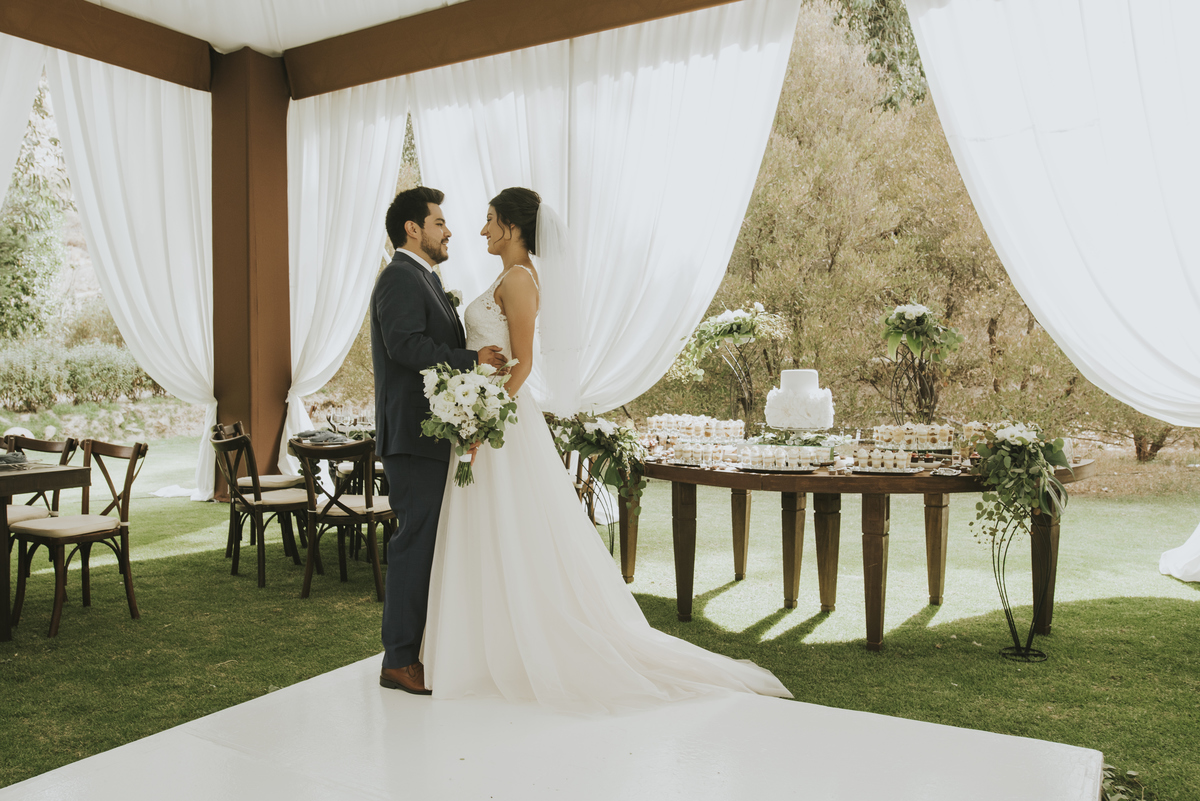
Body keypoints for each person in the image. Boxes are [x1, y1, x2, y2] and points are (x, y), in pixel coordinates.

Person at [420, 187, 792, 712]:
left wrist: (484, 419)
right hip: (483, 415)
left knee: (510, 526)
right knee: (488, 528)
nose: (481, 231)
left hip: (500, 421)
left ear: (511, 227)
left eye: (488, 221)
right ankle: (480, 647)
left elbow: (522, 365)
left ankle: (514, 645)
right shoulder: (506, 278)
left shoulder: (522, 280)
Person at [372, 186, 507, 695]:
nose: (449, 231)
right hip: (412, 435)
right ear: (413, 228)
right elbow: (405, 345)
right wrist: (473, 361)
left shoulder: (425, 278)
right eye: (439, 222)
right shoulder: (399, 278)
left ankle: (422, 648)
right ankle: (399, 659)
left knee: (431, 545)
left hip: (433, 434)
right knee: (415, 545)